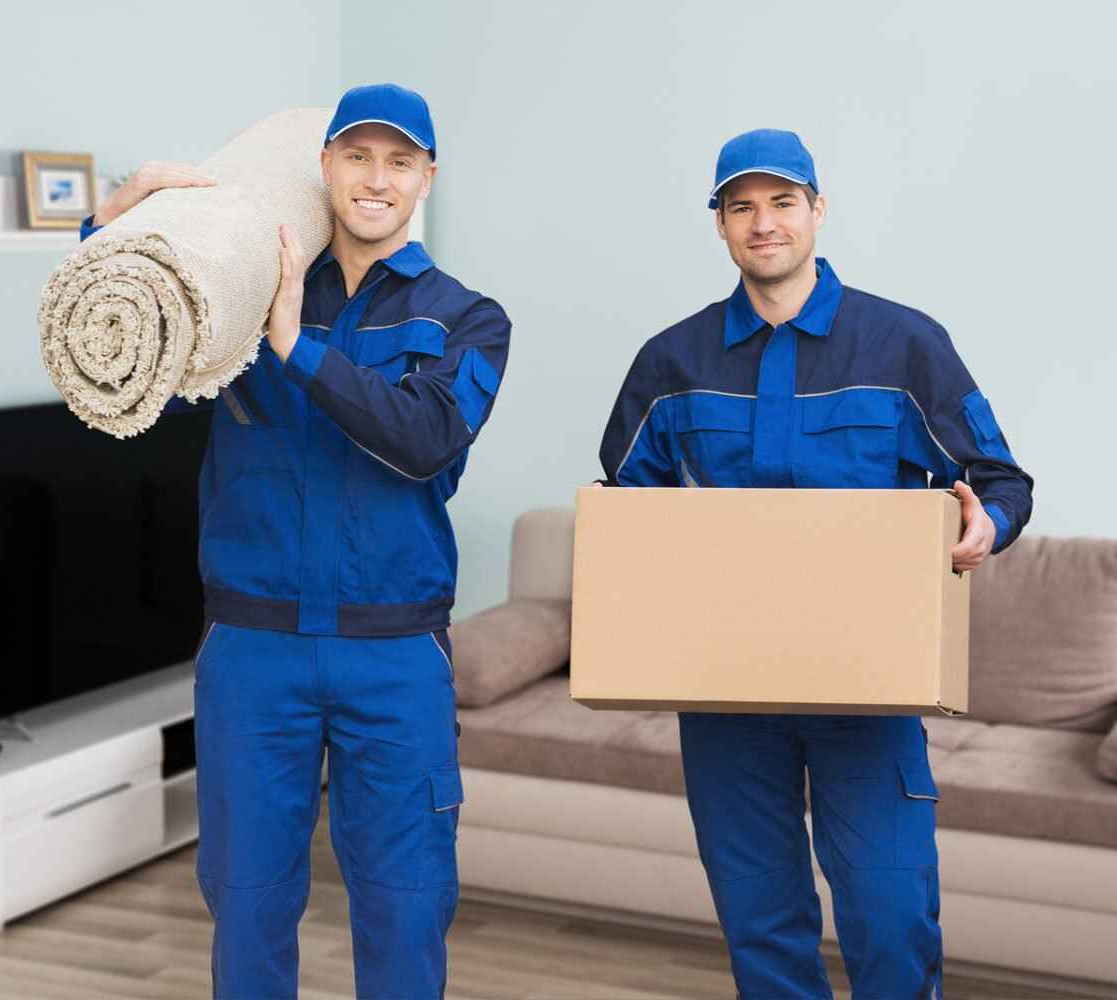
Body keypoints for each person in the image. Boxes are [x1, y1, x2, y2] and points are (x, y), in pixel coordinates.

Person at [81, 83, 510, 1000]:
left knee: (404, 905)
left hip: (394, 656)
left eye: (400, 160)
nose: (376, 178)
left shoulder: (468, 320)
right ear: (325, 169)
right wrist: (105, 228)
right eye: (357, 155)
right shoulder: (243, 287)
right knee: (245, 902)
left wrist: (296, 348)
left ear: (427, 178)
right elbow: (130, 342)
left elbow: (424, 436)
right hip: (252, 650)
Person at [597, 128, 1032, 998]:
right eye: (742, 206)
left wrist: (987, 528)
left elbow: (997, 480)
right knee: (763, 932)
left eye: (782, 202)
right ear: (719, 225)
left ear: (817, 211)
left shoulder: (905, 345)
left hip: (868, 688)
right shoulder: (671, 362)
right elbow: (622, 513)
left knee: (893, 920)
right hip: (726, 695)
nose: (764, 223)